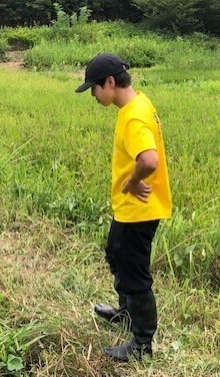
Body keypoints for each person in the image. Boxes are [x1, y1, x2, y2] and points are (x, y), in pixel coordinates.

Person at [75, 53, 172, 362]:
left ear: (111, 82)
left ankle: (142, 345)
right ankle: (126, 312)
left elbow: (149, 160)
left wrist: (131, 183)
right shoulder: (137, 104)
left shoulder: (133, 115)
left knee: (134, 275)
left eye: (94, 88)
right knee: (115, 256)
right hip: (128, 209)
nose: (93, 95)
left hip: (139, 210)